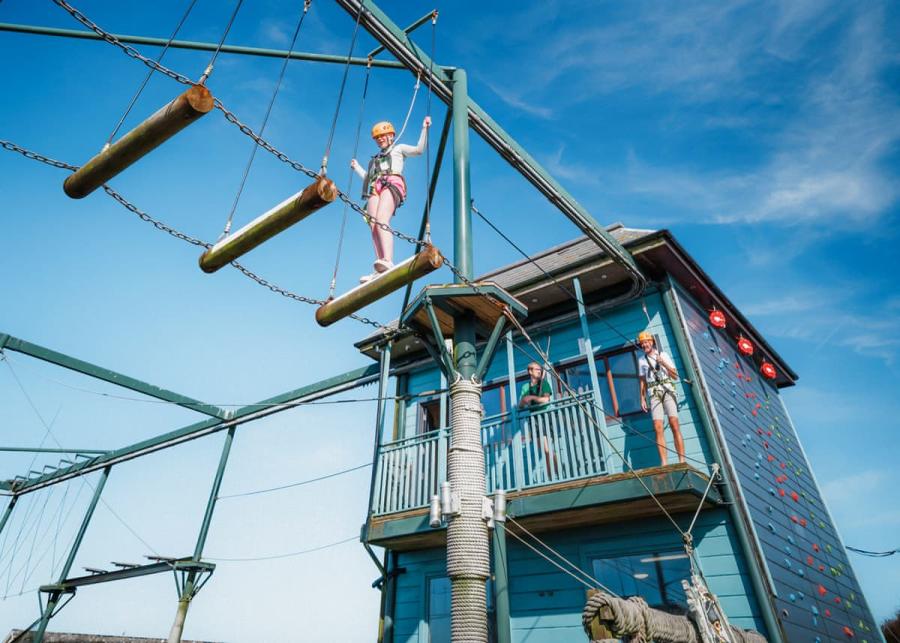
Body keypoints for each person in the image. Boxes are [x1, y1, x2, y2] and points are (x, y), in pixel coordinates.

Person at [350, 116, 431, 283]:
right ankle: (380, 266)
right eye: (377, 138)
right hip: (375, 186)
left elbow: (419, 150)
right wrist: (357, 167)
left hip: (392, 182)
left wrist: (425, 129)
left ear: (391, 135)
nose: (380, 140)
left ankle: (388, 260)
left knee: (381, 219)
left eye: (383, 136)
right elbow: (368, 177)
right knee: (373, 224)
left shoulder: (398, 148)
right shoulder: (376, 159)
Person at [638, 331, 686, 466]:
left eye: (646, 342)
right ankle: (664, 462)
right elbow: (642, 381)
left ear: (652, 342)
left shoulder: (662, 355)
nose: (644, 345)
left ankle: (682, 460)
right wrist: (642, 398)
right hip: (653, 393)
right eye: (642, 344)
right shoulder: (641, 360)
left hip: (667, 389)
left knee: (674, 424)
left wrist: (662, 362)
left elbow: (675, 376)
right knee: (657, 427)